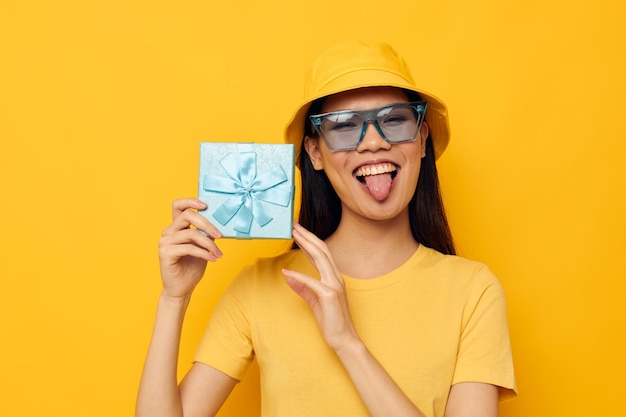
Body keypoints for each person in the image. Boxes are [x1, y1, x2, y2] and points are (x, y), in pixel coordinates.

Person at [136, 40, 517, 417]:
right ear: (314, 152)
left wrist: (347, 343)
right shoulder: (261, 286)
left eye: (394, 120)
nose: (373, 142)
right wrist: (174, 299)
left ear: (421, 139)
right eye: (345, 127)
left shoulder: (473, 292)